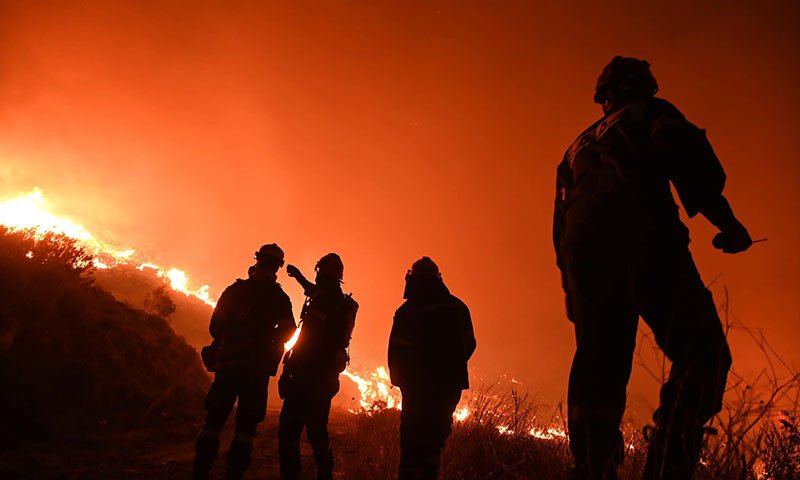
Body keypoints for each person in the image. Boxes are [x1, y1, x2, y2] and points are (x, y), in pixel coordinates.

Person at [553, 56, 753, 479]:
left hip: (586, 267)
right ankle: (669, 462)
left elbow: (561, 225)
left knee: (598, 368)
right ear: (645, 87)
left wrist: (575, 289)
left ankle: (592, 467)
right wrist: (730, 226)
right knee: (704, 355)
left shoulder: (575, 150)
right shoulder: (652, 114)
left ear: (602, 97)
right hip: (647, 245)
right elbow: (693, 168)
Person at [193, 244, 297, 480]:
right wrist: (267, 340)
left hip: (228, 366)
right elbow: (289, 330)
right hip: (257, 370)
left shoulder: (236, 290)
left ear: (257, 261)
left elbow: (215, 326)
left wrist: (230, 337)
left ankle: (199, 474)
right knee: (245, 430)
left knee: (213, 423)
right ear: (277, 267)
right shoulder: (279, 297)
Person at [388, 257, 476, 480]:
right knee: (432, 446)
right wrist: (451, 369)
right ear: (438, 279)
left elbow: (396, 352)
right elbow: (469, 344)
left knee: (411, 446)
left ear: (412, 279)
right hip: (447, 390)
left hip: (416, 389)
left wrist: (402, 381)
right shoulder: (458, 307)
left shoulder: (407, 311)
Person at [278, 253, 358, 480]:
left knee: (289, 431)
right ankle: (326, 472)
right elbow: (316, 292)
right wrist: (299, 278)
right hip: (326, 377)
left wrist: (288, 369)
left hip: (306, 375)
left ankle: (290, 476)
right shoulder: (339, 301)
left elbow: (307, 339)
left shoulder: (323, 301)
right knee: (317, 430)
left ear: (320, 272)